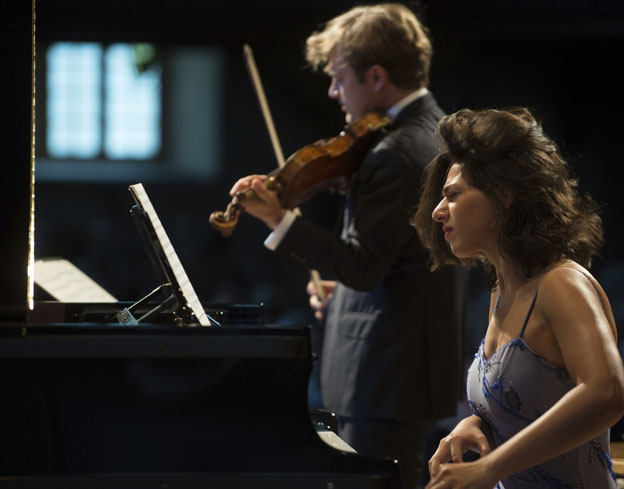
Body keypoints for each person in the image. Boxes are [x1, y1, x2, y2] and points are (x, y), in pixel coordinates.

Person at [228, 4, 467, 488]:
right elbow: (400, 263)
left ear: (376, 76)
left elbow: (363, 266)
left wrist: (277, 217)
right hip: (401, 367)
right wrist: (350, 296)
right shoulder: (433, 131)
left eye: (339, 78)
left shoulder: (396, 152)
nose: (334, 92)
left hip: (386, 378)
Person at [411, 106, 624, 489]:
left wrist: (490, 468)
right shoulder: (501, 290)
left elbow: (606, 392)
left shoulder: (561, 284)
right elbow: (534, 402)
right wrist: (478, 424)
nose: (439, 212)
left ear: (503, 197)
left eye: (453, 196)